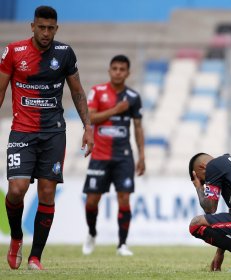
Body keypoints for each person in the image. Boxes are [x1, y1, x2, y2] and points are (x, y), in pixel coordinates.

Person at [0, 6, 94, 270]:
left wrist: (88, 126)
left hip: (53, 132)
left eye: (50, 28)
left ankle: (35, 257)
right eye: (41, 27)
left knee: (47, 193)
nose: (45, 32)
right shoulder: (14, 52)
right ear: (32, 26)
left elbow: (77, 92)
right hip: (22, 130)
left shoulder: (64, 54)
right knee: (17, 190)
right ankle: (16, 237)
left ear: (57, 28)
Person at [81, 54, 145, 256]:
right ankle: (91, 233)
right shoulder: (97, 92)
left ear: (128, 73)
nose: (118, 72)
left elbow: (138, 127)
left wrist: (142, 155)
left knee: (124, 199)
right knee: (92, 201)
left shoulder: (133, 97)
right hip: (99, 155)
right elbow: (90, 117)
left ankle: (122, 244)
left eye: (122, 69)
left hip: (123, 157)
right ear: (109, 71)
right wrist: (116, 110)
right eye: (115, 68)